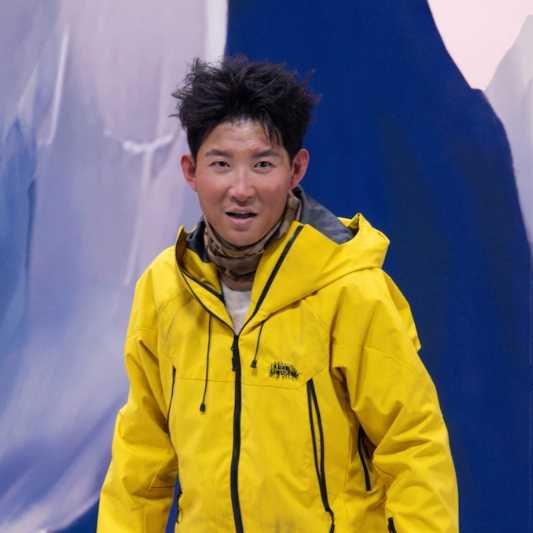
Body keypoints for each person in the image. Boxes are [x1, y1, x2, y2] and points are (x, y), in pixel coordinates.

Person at [97, 56, 458, 533]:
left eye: (262, 164)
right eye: (220, 164)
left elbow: (413, 445)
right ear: (190, 171)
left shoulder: (351, 289)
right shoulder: (164, 287)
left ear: (296, 169)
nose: (241, 189)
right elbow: (141, 455)